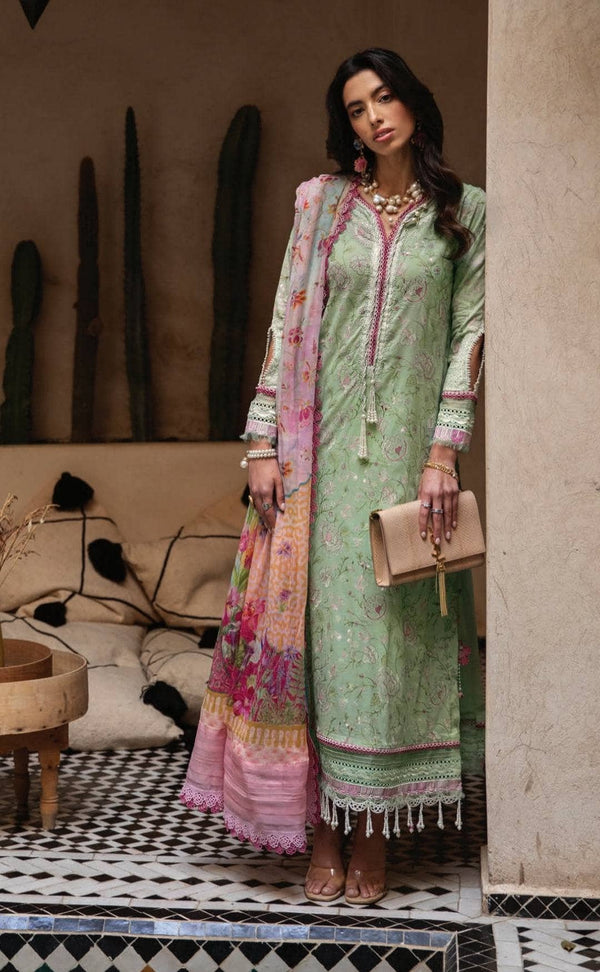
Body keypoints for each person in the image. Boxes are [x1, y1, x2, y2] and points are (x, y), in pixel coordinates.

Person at [181, 47, 485, 907]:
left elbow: (469, 334)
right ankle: (322, 828)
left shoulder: (463, 212)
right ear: (345, 125)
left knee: (390, 649)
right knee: (318, 646)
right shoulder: (322, 207)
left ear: (414, 102)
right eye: (357, 107)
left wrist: (443, 452)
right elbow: (285, 322)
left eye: (385, 98)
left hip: (406, 467)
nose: (375, 117)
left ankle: (374, 831)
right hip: (316, 464)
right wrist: (261, 443)